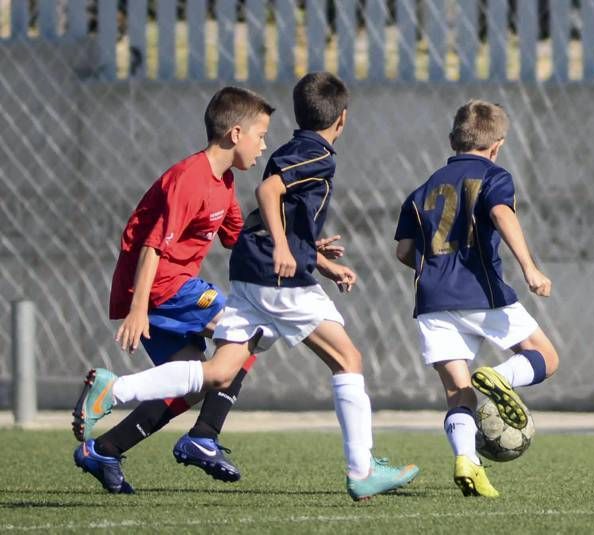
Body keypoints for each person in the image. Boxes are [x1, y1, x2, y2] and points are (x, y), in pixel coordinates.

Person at [72, 72, 419, 501]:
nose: (263, 145)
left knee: (210, 377)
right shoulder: (191, 179)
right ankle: (348, 466)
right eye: (260, 135)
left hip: (198, 283)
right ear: (236, 132)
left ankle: (107, 444)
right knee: (343, 357)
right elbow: (153, 247)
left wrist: (312, 253)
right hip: (163, 287)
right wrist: (138, 307)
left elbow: (241, 234)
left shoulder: (225, 182)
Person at [393, 100, 560, 498]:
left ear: (453, 140)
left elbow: (403, 252)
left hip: (432, 299)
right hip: (481, 292)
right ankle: (502, 377)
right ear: (497, 145)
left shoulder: (422, 189)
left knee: (458, 392)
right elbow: (502, 215)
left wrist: (435, 270)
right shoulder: (493, 176)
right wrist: (530, 268)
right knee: (545, 357)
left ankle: (467, 460)